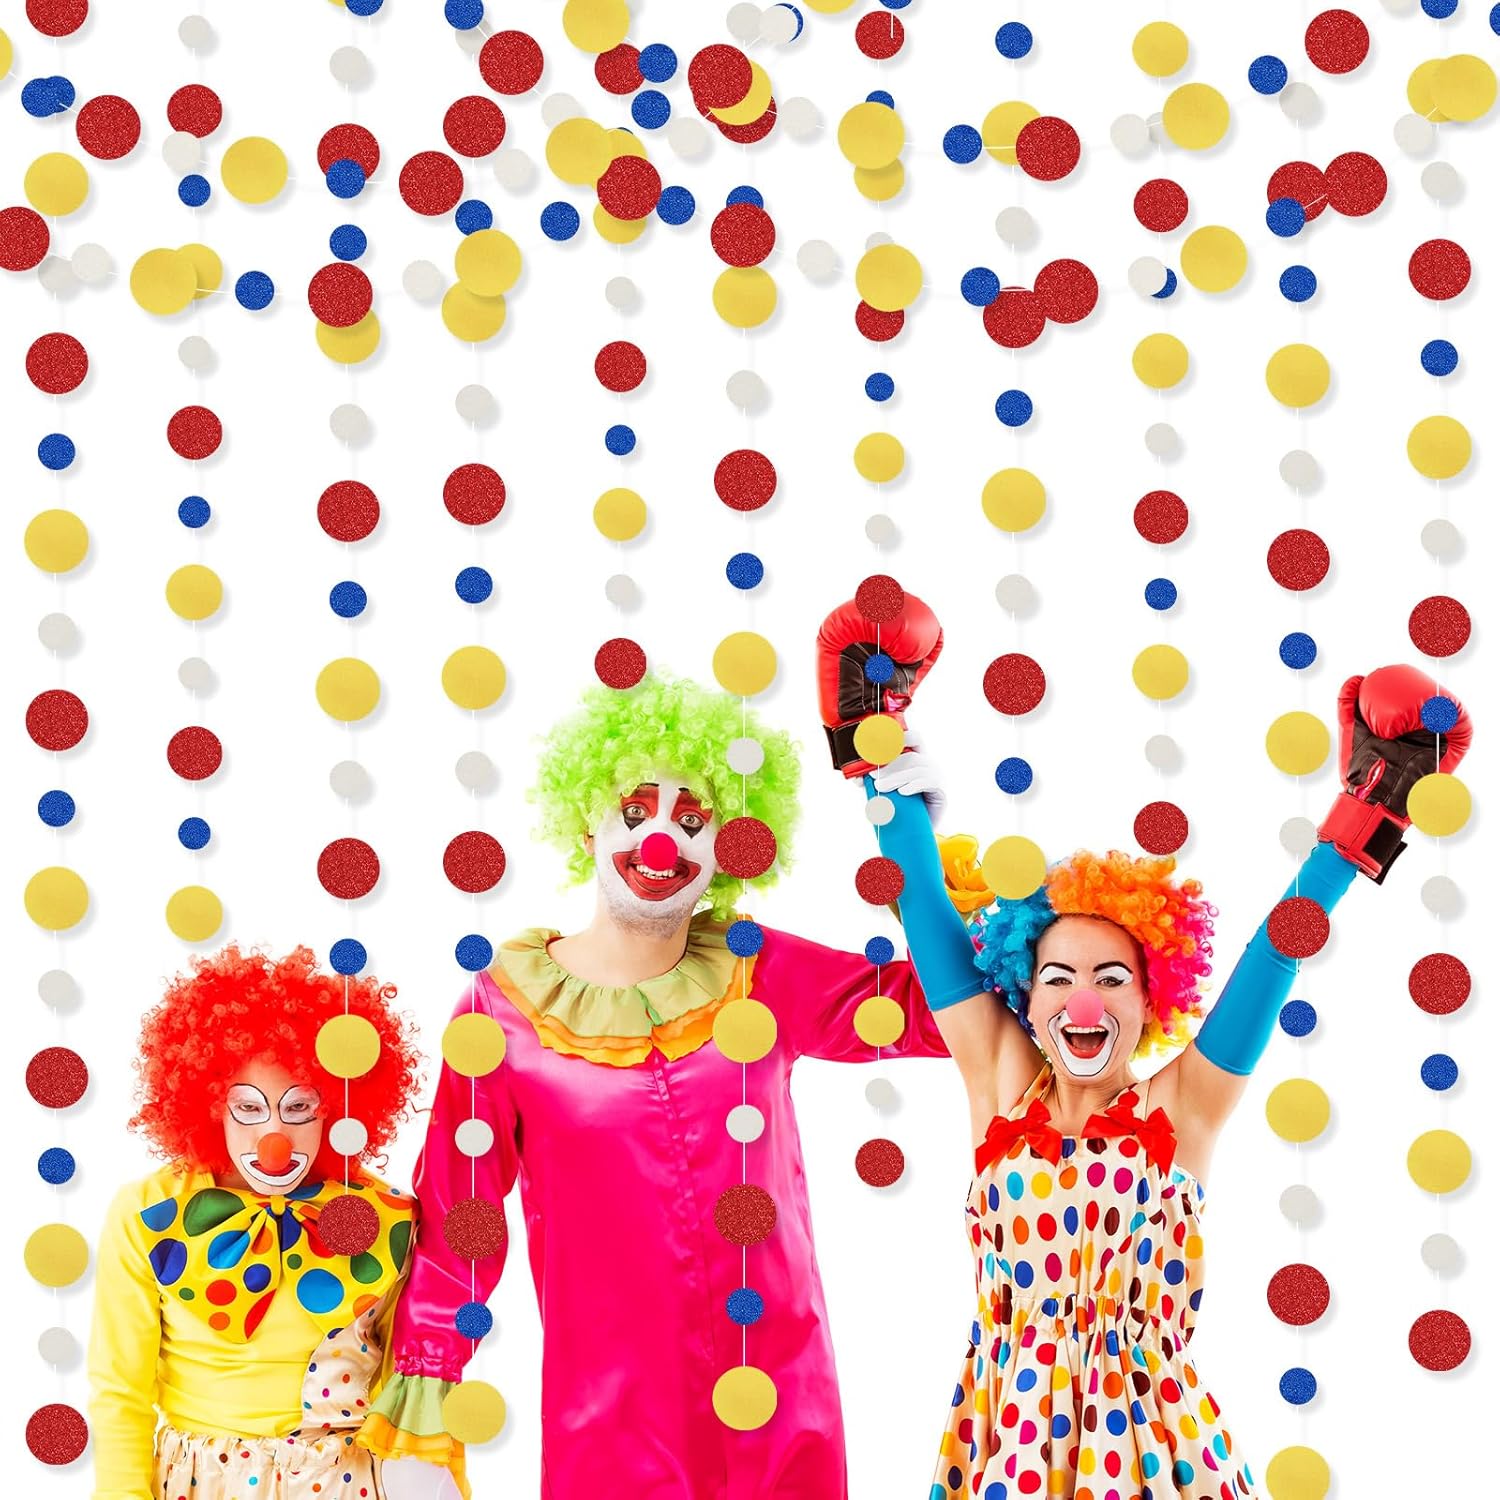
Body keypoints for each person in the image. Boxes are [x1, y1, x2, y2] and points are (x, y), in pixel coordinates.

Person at [820, 593, 1471, 1500]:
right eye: (1058, 978)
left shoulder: (1180, 1107)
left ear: (1148, 997)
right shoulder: (1000, 1081)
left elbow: (1274, 955)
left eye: (1111, 978)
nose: (1083, 1000)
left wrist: (1363, 821)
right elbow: (925, 915)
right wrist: (870, 753)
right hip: (1009, 1438)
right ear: (1025, 996)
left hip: (1158, 1447)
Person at [359, 653, 966, 1500]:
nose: (661, 840)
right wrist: (428, 1394)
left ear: (730, 846)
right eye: (636, 811)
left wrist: (909, 843)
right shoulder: (501, 1010)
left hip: (780, 1406)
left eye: (693, 818)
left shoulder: (758, 970)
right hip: (613, 1423)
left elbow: (945, 1016)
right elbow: (464, 1217)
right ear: (588, 828)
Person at [88, 945, 425, 1500]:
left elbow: (410, 1389)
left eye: (299, 1108)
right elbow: (120, 1391)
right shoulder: (147, 1214)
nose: (274, 1139)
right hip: (199, 1485)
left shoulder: (384, 1216)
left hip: (344, 1483)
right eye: (248, 1108)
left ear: (337, 1107)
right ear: (210, 1105)